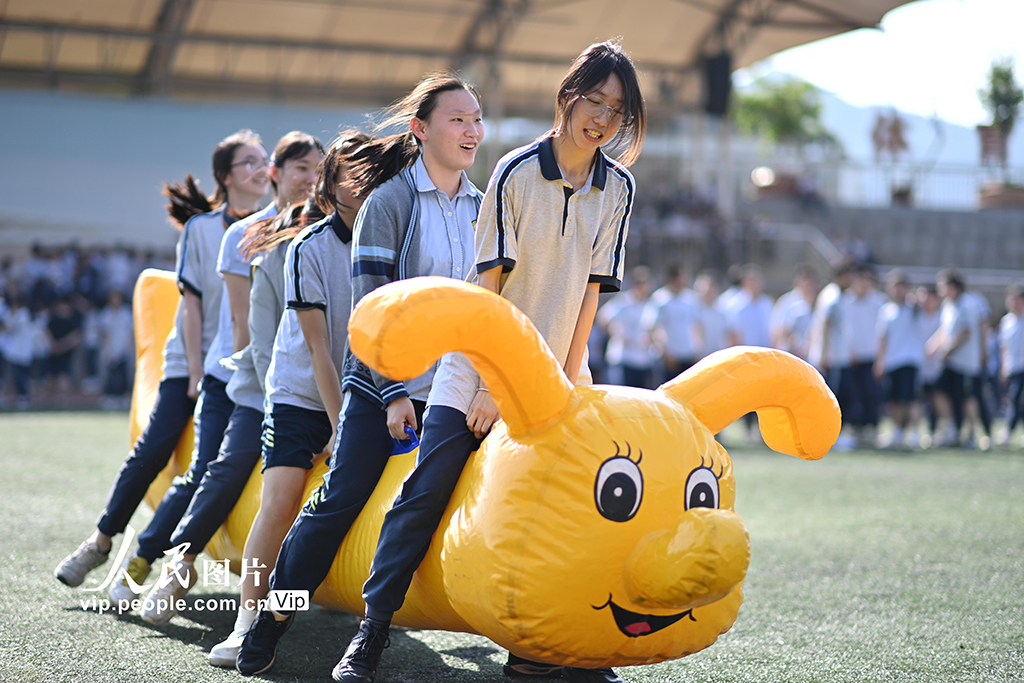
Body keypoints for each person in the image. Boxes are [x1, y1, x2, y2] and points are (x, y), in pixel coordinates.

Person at [331, 40, 645, 683]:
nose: (603, 118)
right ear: (567, 97)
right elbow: (489, 293)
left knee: (575, 506)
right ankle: (372, 629)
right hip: (476, 368)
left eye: (617, 109)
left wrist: (555, 382)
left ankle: (560, 646)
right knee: (428, 490)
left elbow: (591, 295)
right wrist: (495, 384)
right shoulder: (515, 172)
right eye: (594, 101)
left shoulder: (620, 188)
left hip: (561, 375)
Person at [236, 73, 487, 677]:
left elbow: (488, 308)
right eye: (457, 119)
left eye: (477, 119)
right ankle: (274, 616)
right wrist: (395, 393)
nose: (472, 130)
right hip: (379, 382)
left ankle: (373, 632)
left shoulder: (484, 209)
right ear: (420, 130)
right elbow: (373, 309)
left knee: (428, 502)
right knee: (341, 498)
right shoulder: (389, 201)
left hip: (451, 387)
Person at [54, 129, 269, 589]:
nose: (260, 168)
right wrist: (192, 374)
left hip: (236, 368)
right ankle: (99, 541)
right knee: (154, 450)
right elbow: (190, 306)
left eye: (263, 160)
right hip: (191, 362)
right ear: (224, 177)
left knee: (202, 469)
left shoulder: (275, 228)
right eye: (248, 161)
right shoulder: (203, 229)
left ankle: (142, 563)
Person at [133, 132, 324, 623]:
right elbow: (245, 328)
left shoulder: (328, 232)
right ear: (276, 174)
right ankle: (178, 566)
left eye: (318, 169)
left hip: (314, 385)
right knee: (228, 464)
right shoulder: (252, 234)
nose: (311, 178)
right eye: (301, 168)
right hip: (255, 380)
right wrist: (267, 389)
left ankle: (298, 600)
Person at [927, 269, 982, 448]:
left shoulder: (966, 304)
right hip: (950, 362)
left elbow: (965, 332)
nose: (940, 290)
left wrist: (948, 349)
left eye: (942, 286)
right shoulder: (948, 306)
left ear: (953, 286)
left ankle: (974, 434)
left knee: (967, 397)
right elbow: (944, 330)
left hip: (965, 363)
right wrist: (933, 345)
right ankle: (951, 429)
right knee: (938, 390)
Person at [874, 270, 924, 449]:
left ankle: (914, 432)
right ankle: (897, 431)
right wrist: (880, 361)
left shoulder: (913, 308)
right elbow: (882, 338)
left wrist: (914, 297)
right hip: (891, 361)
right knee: (894, 399)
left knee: (910, 399)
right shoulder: (886, 310)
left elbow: (923, 302)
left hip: (910, 360)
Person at [844, 264, 886, 446]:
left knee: (872, 393)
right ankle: (854, 427)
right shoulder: (845, 301)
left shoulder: (879, 302)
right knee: (853, 393)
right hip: (851, 356)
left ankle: (871, 427)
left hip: (872, 355)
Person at [598, 266, 655, 388]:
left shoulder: (649, 305)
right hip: (623, 358)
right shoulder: (623, 301)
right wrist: (617, 334)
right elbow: (603, 317)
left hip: (642, 359)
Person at [647, 264, 700, 383]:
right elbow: (655, 328)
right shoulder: (660, 299)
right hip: (669, 358)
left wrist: (697, 348)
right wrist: (665, 352)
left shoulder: (691, 298)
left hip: (688, 355)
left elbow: (695, 325)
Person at [998, 284, 1024, 447]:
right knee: (1013, 399)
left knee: (1018, 399)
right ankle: (1009, 431)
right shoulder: (1006, 321)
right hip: (1013, 367)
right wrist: (1003, 367)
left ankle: (1008, 431)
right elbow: (1004, 347)